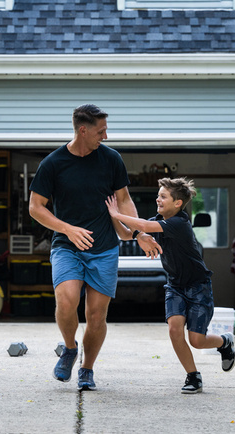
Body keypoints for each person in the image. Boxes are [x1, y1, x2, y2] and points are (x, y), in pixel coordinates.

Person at [29, 104, 162, 391]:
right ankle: (69, 348)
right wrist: (67, 228)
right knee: (66, 300)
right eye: (101, 131)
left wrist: (138, 230)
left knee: (96, 315)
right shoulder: (53, 163)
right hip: (67, 245)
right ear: (83, 130)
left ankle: (87, 369)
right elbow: (35, 207)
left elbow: (124, 200)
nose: (106, 135)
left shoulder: (111, 159)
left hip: (103, 247)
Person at [106, 177, 235, 394]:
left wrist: (117, 214)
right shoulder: (159, 220)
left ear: (177, 203)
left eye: (163, 196)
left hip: (198, 287)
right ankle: (193, 376)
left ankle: (224, 342)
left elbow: (143, 226)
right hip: (175, 286)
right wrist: (111, 217)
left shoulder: (179, 223)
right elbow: (125, 234)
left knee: (196, 340)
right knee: (175, 330)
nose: (158, 199)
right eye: (158, 195)